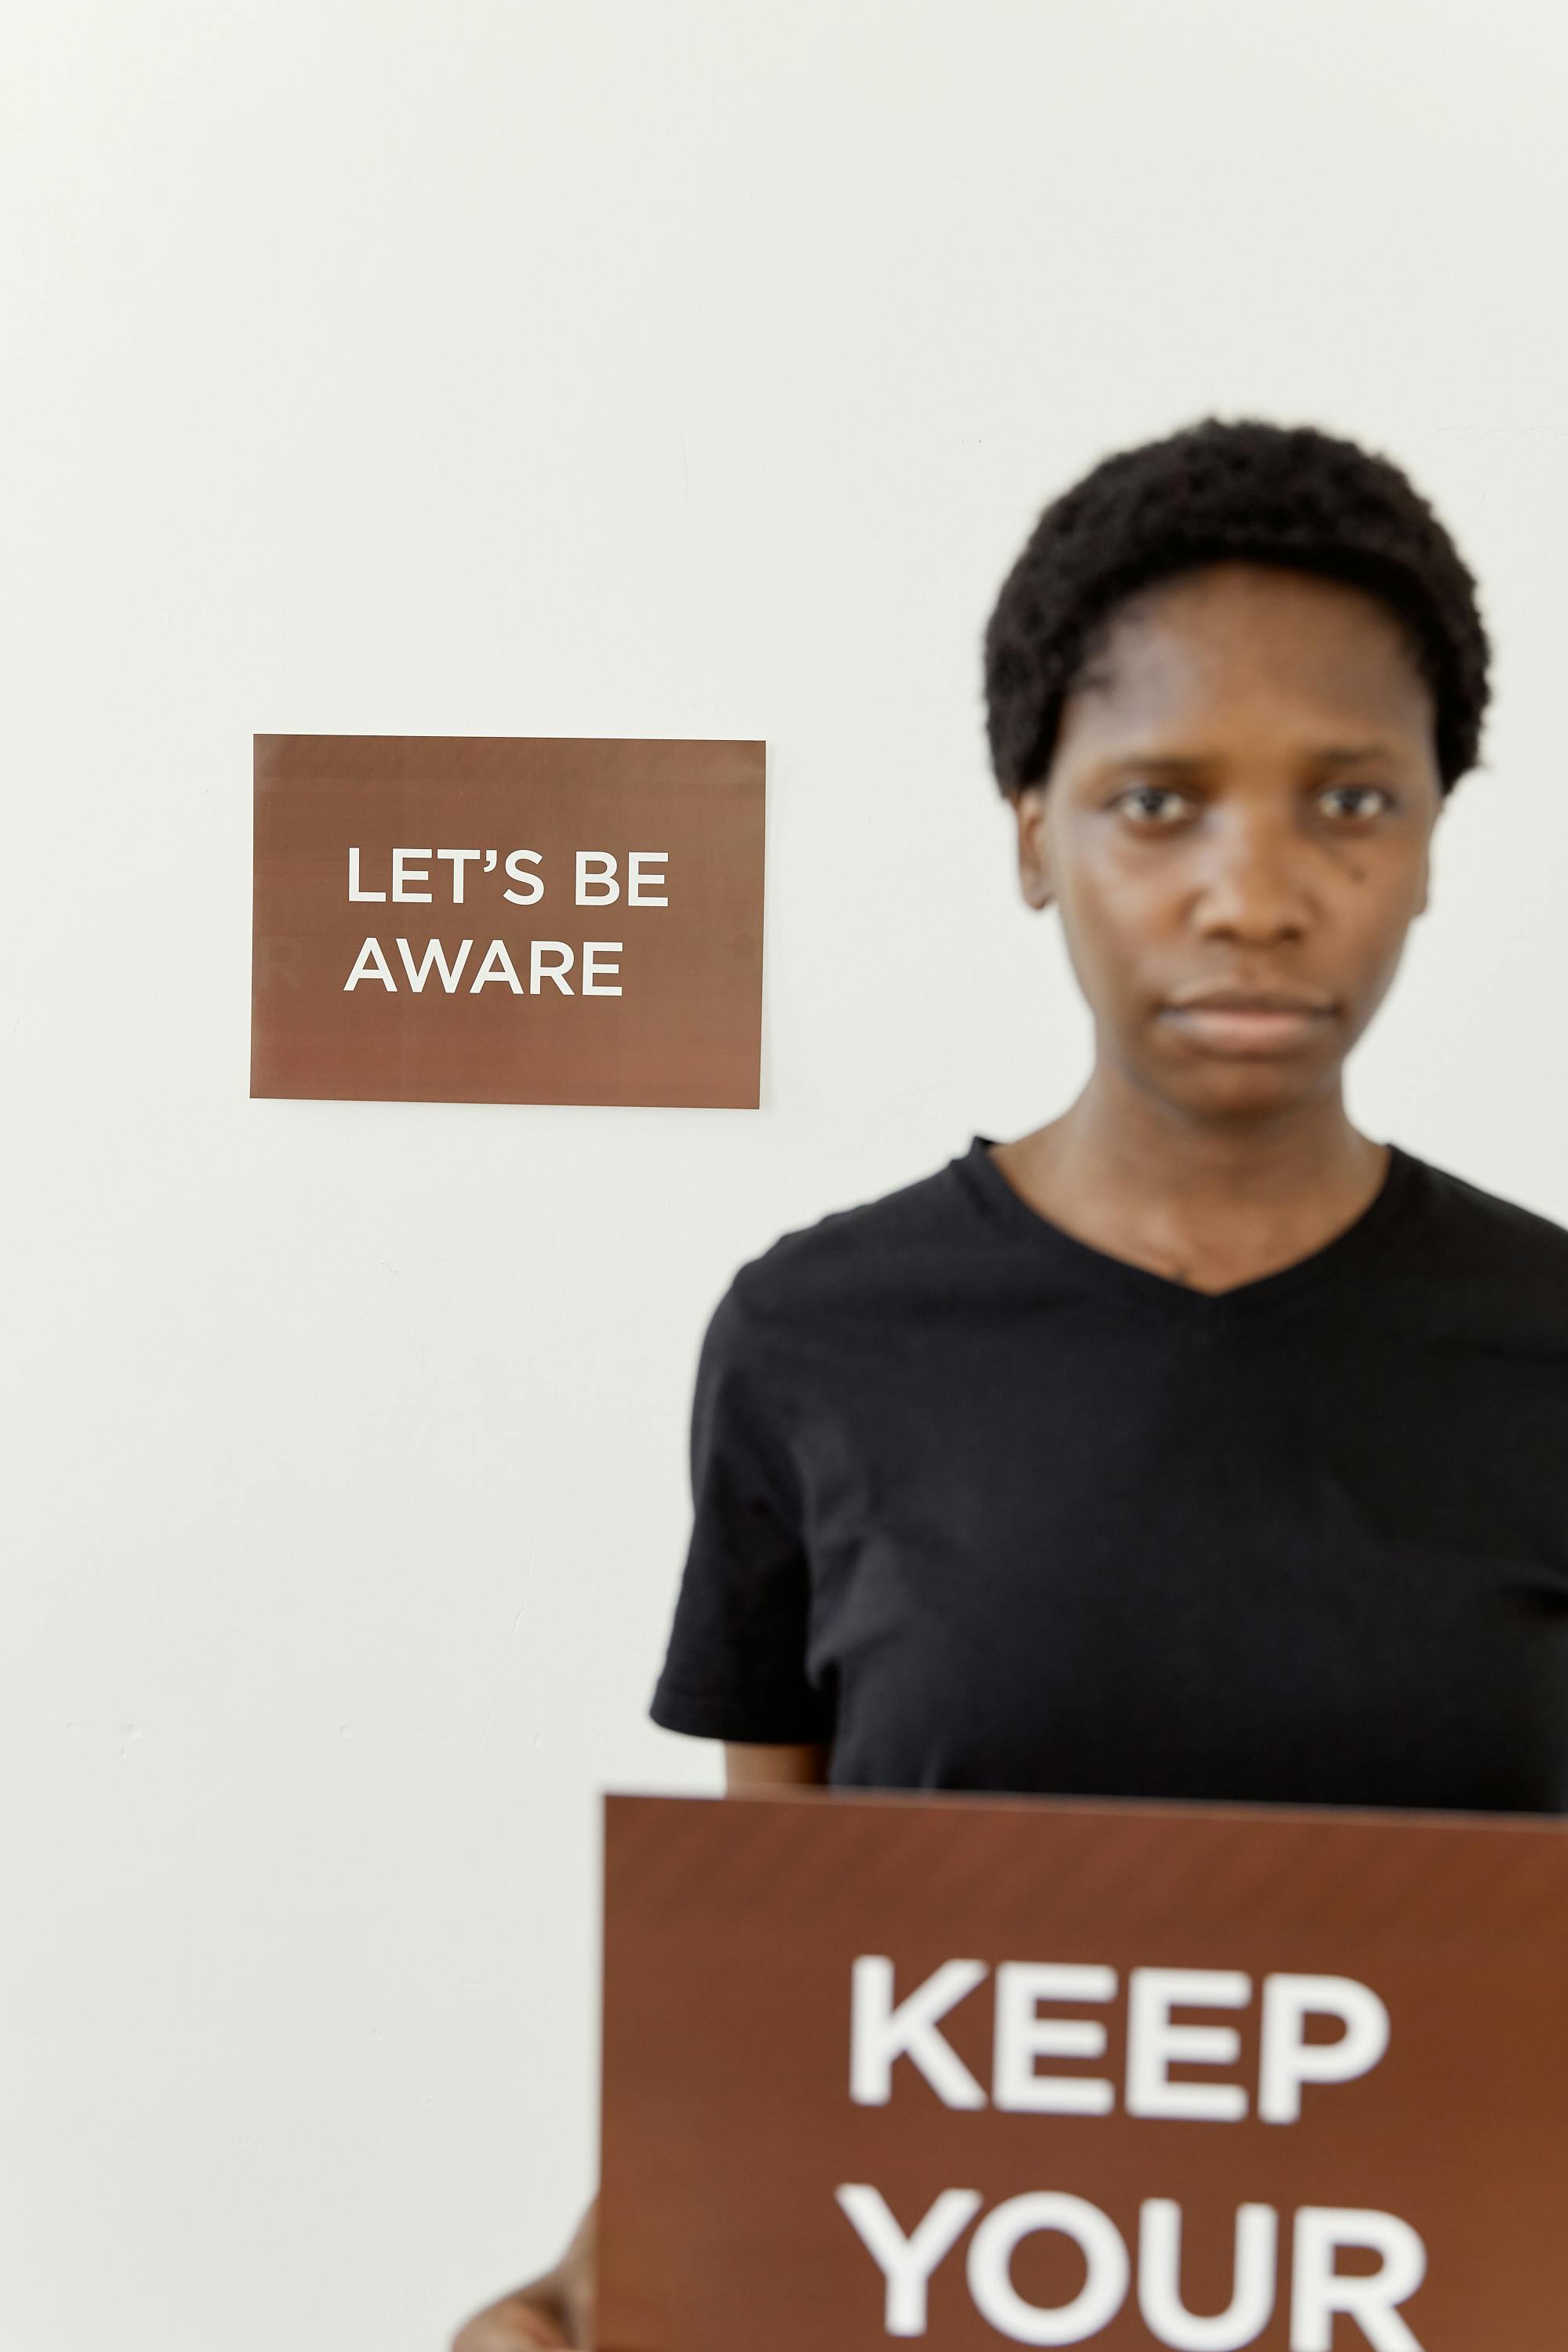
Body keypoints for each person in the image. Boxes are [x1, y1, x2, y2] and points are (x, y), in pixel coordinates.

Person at [449, 415, 1568, 2350]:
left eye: (1349, 799)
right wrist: (578, 2296)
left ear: (1428, 843)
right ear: (1032, 831)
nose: (1252, 891)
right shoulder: (820, 1340)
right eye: (1157, 802)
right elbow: (794, 2008)